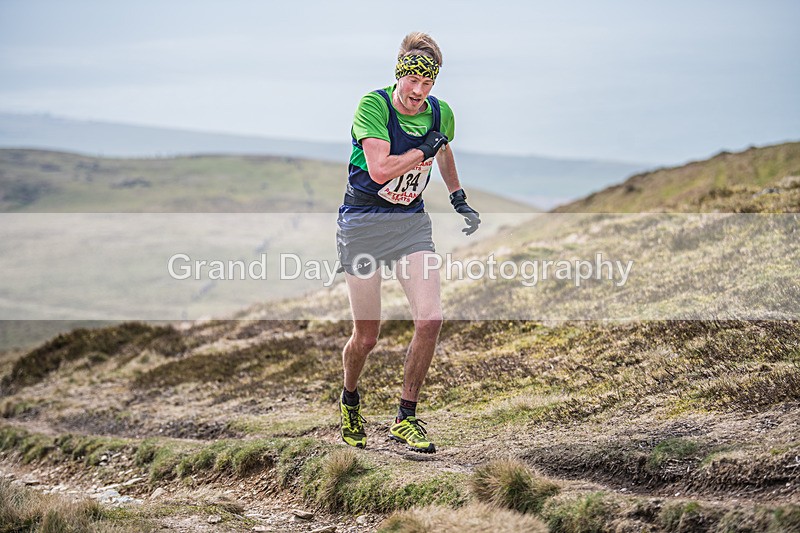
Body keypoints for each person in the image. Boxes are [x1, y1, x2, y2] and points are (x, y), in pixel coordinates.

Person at [336, 32, 480, 453]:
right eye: (412, 81)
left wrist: (458, 196)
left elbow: (445, 150)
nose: (418, 92)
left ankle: (406, 416)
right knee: (366, 337)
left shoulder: (439, 113)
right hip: (363, 225)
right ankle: (349, 399)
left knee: (431, 319)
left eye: (428, 83)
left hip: (409, 224)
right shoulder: (374, 106)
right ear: (399, 74)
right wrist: (423, 150)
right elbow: (380, 170)